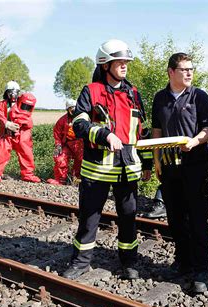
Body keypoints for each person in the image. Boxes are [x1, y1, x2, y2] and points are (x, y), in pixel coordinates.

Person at [62, 39, 152, 280]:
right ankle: (81, 263)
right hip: (97, 170)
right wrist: (104, 134)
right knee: (89, 218)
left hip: (128, 170)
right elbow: (79, 125)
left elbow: (141, 130)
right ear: (105, 64)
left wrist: (148, 163)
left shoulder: (133, 94)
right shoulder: (90, 91)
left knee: (128, 219)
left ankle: (129, 262)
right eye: (119, 62)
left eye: (126, 62)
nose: (124, 66)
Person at [152, 53, 208, 293]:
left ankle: (202, 269)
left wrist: (195, 141)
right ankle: (183, 261)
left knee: (197, 219)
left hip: (195, 166)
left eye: (191, 69)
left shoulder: (200, 97)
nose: (189, 73)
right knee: (175, 218)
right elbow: (156, 130)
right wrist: (157, 159)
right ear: (170, 72)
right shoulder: (160, 98)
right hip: (169, 168)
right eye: (184, 69)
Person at [0, 82, 41, 186]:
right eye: (10, 92)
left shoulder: (23, 103)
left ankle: (28, 174)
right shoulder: (1, 105)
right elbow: (0, 116)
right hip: (6, 133)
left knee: (26, 152)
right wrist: (6, 123)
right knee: (1, 151)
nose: (13, 95)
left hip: (22, 133)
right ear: (6, 93)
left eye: (15, 92)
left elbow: (27, 117)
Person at [46, 99, 83, 185]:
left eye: (74, 108)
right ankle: (60, 180)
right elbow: (57, 133)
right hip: (67, 144)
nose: (73, 110)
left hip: (80, 145)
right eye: (71, 108)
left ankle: (77, 180)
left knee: (81, 161)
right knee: (59, 158)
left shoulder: (83, 118)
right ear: (67, 109)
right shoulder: (62, 120)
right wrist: (58, 145)